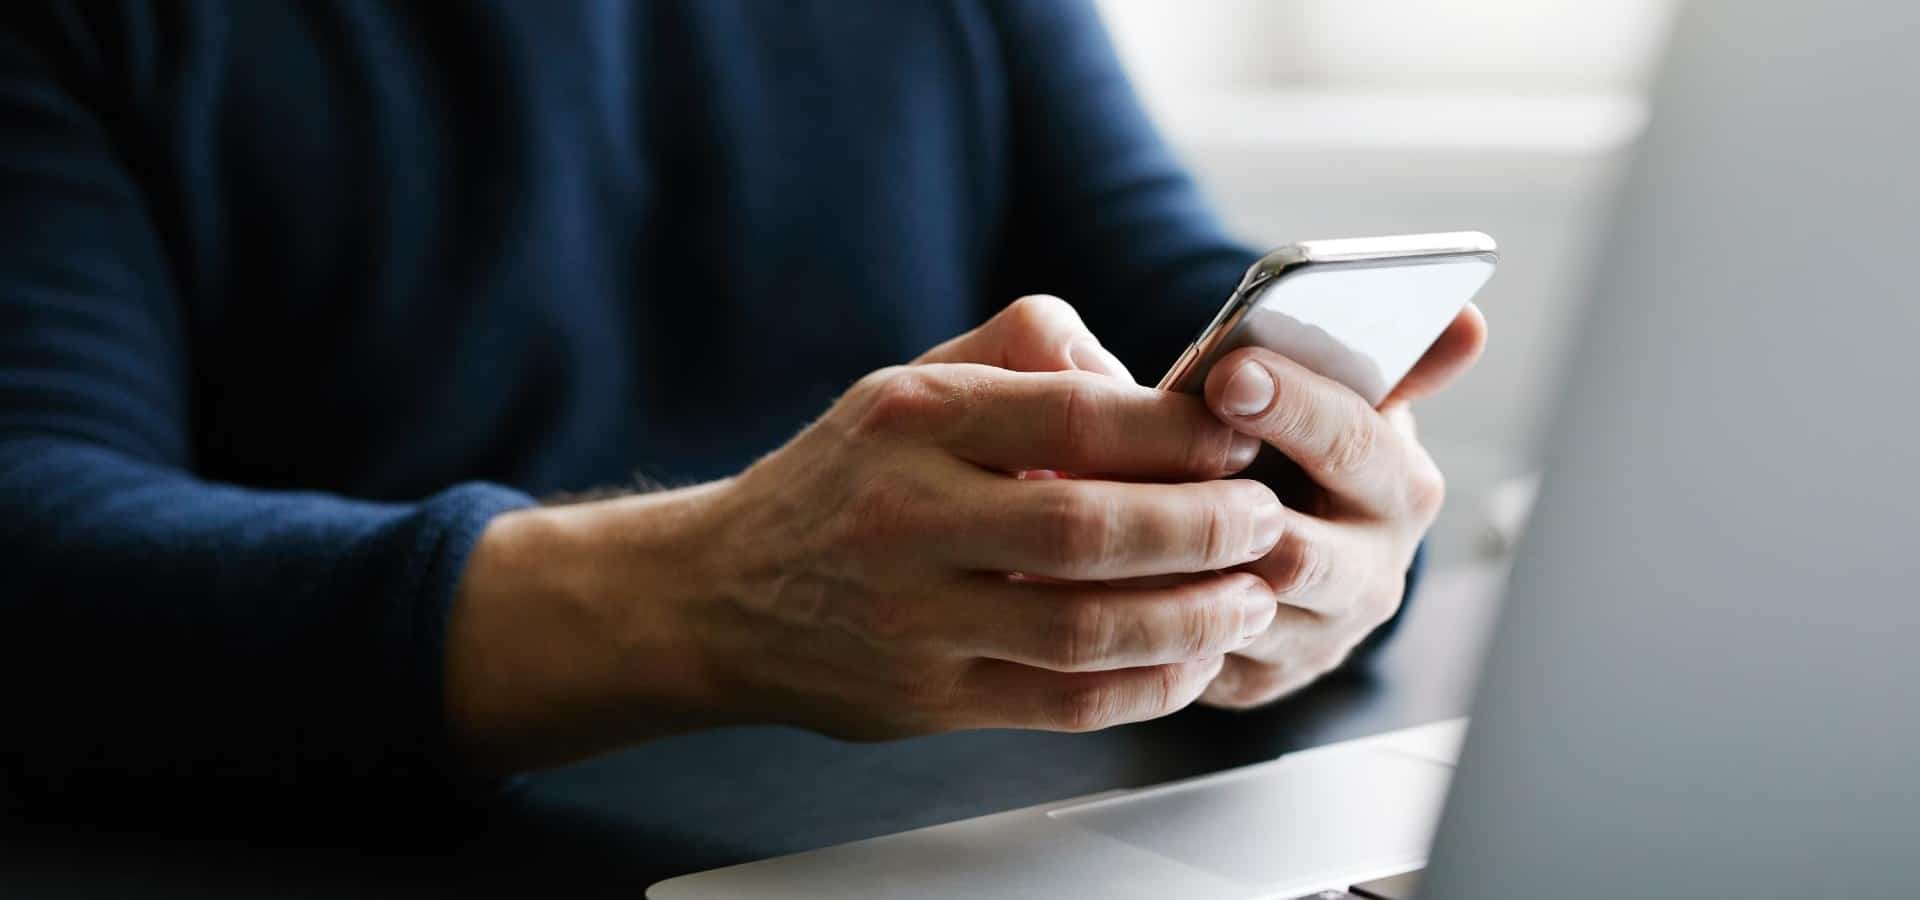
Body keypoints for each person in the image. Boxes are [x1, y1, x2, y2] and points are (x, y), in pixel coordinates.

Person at [0, 1, 1484, 802]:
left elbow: (1182, 310)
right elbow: (38, 546)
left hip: (956, 829)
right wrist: (696, 601)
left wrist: (1325, 531)